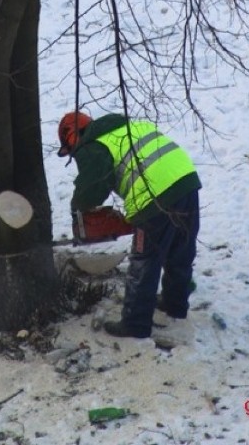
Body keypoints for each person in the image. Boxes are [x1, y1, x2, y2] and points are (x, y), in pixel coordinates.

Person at [58, 110, 201, 339]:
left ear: (73, 136)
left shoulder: (93, 145)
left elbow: (91, 189)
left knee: (144, 261)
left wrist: (78, 209)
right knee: (180, 249)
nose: (75, 155)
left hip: (153, 194)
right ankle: (175, 304)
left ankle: (135, 324)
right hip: (186, 181)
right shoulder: (128, 127)